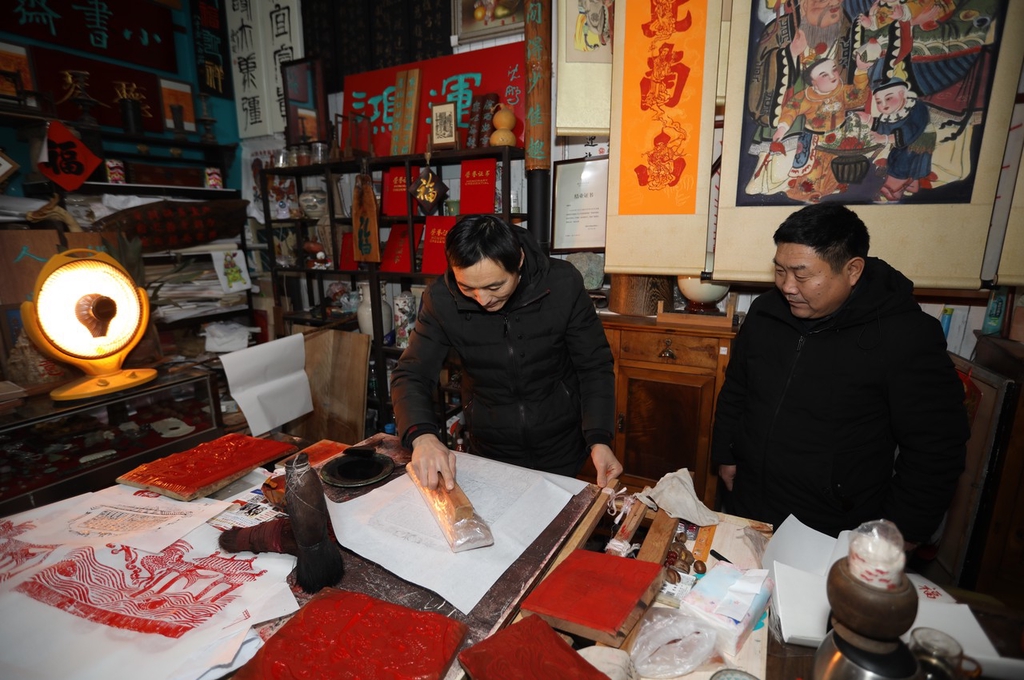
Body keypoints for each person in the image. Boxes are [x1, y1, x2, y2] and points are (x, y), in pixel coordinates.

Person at [711, 203, 968, 546]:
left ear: (852, 270)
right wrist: (726, 454)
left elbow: (936, 447)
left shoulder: (906, 335)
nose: (787, 286)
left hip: (831, 523)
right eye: (780, 271)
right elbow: (737, 389)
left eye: (802, 275)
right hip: (749, 501)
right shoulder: (766, 312)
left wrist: (900, 532)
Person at [390, 215, 621, 491]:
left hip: (561, 444)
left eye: (494, 286)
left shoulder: (562, 283)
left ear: (519, 261)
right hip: (491, 448)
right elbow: (411, 373)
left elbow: (594, 364)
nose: (482, 299)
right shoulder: (442, 298)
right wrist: (422, 435)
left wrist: (599, 439)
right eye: (467, 287)